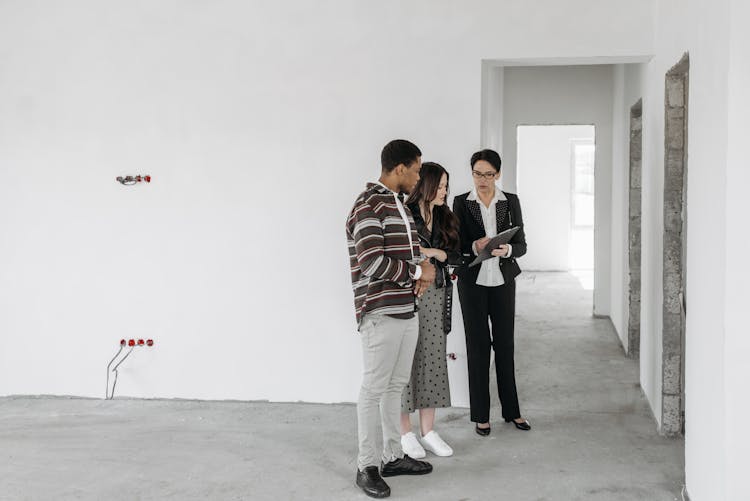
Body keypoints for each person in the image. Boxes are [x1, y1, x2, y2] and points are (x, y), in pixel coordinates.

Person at [346, 139, 437, 499]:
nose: (418, 177)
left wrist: (423, 268)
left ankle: (392, 456)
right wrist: (418, 273)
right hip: (380, 312)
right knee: (373, 389)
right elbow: (371, 262)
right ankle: (366, 466)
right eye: (416, 170)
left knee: (395, 387)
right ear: (399, 168)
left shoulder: (398, 204)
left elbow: (410, 256)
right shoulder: (368, 205)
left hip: (405, 311)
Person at [452, 149, 531, 437]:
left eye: (488, 174)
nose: (482, 180)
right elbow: (455, 243)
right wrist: (474, 247)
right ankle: (481, 416)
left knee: (505, 346)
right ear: (471, 173)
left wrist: (507, 249)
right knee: (478, 347)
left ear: (497, 174)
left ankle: (513, 411)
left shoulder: (510, 202)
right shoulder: (461, 202)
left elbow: (521, 244)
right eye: (477, 173)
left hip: (502, 281)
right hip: (472, 282)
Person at [399, 162, 460, 458]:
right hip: (409, 295)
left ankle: (429, 431)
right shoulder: (405, 214)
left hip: (437, 296)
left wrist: (436, 253)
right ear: (426, 185)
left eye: (447, 186)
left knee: (433, 359)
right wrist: (430, 258)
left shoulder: (445, 216)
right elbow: (403, 254)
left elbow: (457, 256)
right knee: (405, 363)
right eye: (441, 185)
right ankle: (405, 433)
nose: (445, 191)